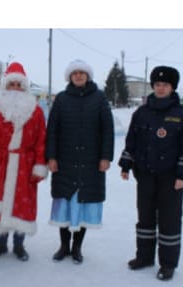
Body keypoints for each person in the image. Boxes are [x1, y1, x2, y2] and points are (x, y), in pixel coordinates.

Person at [118, 65, 183, 281]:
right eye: (157, 84)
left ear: (172, 88)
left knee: (169, 220)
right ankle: (144, 257)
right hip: (144, 175)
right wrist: (126, 164)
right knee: (144, 217)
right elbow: (131, 141)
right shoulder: (141, 113)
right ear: (153, 86)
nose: (161, 88)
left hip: (171, 178)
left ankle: (168, 263)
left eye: (166, 85)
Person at [45, 59, 114, 264]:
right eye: (74, 72)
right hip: (64, 162)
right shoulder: (62, 99)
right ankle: (64, 246)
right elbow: (52, 130)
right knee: (64, 204)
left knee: (84, 204)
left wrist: (105, 157)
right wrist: (51, 156)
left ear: (88, 76)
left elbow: (107, 130)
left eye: (81, 72)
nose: (78, 75)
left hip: (90, 163)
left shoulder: (99, 98)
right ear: (69, 76)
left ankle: (77, 247)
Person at [0, 62, 47, 262]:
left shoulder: (36, 111)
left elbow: (42, 140)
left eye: (19, 85)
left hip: (25, 165)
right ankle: (0, 244)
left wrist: (39, 165)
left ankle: (18, 245)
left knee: (22, 205)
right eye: (11, 84)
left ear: (24, 87)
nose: (15, 88)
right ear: (5, 86)